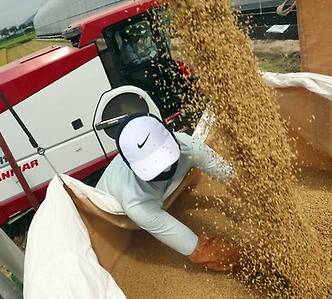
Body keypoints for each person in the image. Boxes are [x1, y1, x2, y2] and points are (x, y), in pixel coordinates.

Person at [96, 113, 240, 272]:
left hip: (161, 196)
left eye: (167, 156)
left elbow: (229, 175)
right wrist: (243, 261)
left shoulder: (187, 145)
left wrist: (254, 196)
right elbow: (196, 248)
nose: (166, 168)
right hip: (116, 218)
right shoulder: (136, 203)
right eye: (152, 168)